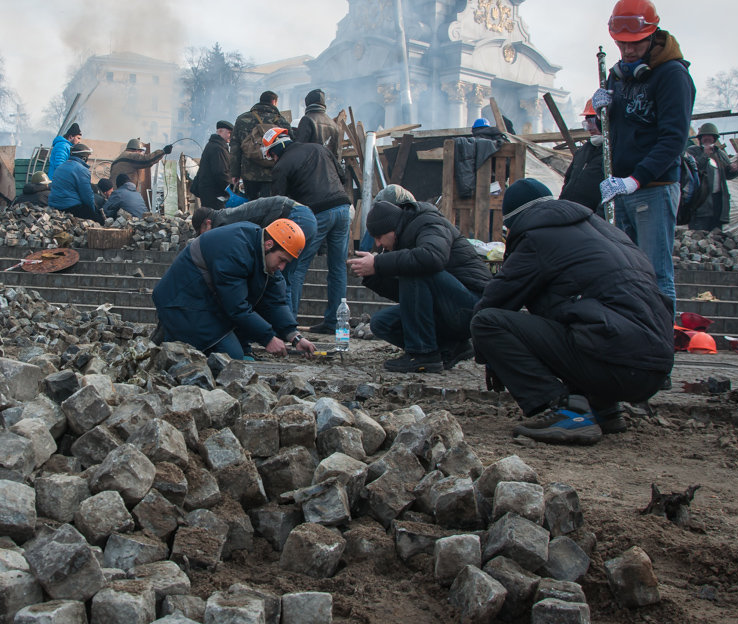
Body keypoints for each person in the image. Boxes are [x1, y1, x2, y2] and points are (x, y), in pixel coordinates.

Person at [471, 179, 674, 445]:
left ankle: (569, 413)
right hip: (654, 367)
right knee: (580, 316)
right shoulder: (604, 232)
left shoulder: (537, 236)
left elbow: (493, 301)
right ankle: (603, 408)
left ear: (514, 221)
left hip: (619, 360)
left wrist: (489, 355)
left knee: (486, 323)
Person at [592, 0, 695, 307]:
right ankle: (633, 340)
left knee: (656, 273)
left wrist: (635, 179)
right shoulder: (618, 75)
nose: (627, 50)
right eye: (621, 44)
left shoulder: (672, 76)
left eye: (634, 44)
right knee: (623, 271)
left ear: (652, 35)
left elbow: (673, 140)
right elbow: (615, 131)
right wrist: (601, 113)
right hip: (621, 187)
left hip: (654, 187)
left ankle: (660, 348)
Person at [350, 198, 491, 372]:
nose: (378, 244)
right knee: (381, 323)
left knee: (416, 267)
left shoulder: (429, 223)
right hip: (447, 308)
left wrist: (378, 262)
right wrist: (373, 276)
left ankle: (423, 353)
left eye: (379, 237)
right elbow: (411, 298)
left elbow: (432, 258)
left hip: (473, 306)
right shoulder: (404, 239)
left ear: (393, 228)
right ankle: (452, 347)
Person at [153, 219, 317, 360]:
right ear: (269, 245)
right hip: (181, 300)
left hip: (209, 301)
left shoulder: (265, 257)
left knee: (238, 354)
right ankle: (170, 334)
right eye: (281, 260)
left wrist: (295, 337)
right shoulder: (235, 250)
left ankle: (175, 333)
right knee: (232, 357)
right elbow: (236, 307)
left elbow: (275, 303)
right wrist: (267, 338)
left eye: (286, 263)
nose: (282, 267)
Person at [264, 127, 352, 330]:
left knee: (296, 267)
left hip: (317, 213)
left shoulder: (282, 166)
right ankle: (334, 323)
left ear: (275, 151)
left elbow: (278, 204)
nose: (273, 160)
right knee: (338, 267)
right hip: (343, 208)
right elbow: (342, 176)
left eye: (271, 156)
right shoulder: (319, 148)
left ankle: (288, 324)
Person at [191, 195, 317, 311]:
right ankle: (289, 326)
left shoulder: (223, 225)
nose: (202, 238)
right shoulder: (227, 216)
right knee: (290, 277)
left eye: (201, 232)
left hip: (294, 217)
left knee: (281, 277)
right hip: (306, 216)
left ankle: (286, 330)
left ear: (207, 223)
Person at [231, 91, 288, 201]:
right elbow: (289, 148)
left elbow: (235, 148)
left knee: (252, 206)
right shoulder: (281, 121)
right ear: (274, 102)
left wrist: (235, 173)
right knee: (270, 206)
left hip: (249, 173)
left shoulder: (242, 119)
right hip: (273, 173)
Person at [686, 122, 738, 231]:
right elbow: (692, 169)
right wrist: (705, 155)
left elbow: (728, 174)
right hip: (700, 200)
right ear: (700, 138)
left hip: (718, 202)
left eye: (710, 137)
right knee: (699, 232)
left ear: (714, 139)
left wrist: (734, 169)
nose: (707, 139)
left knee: (716, 233)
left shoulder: (719, 154)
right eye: (704, 137)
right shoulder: (693, 151)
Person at [292, 89, 347, 188]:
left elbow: (299, 148)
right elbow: (337, 153)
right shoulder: (333, 124)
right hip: (328, 173)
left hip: (310, 173)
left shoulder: (307, 119)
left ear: (307, 103)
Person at [558, 100, 605, 212]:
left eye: (593, 121)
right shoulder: (584, 150)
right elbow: (568, 180)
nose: (590, 128)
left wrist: (598, 217)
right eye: (587, 123)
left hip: (591, 218)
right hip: (570, 211)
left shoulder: (613, 152)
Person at [48, 142, 102, 222]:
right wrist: (93, 211)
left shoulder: (60, 167)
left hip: (55, 206)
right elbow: (87, 196)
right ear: (84, 158)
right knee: (99, 220)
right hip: (71, 208)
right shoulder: (82, 170)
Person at [108, 138, 173, 199]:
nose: (141, 154)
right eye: (141, 152)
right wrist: (163, 151)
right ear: (137, 150)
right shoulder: (131, 156)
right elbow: (147, 160)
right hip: (125, 195)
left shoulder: (117, 160)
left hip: (115, 195)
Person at [191, 120, 233, 208]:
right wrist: (231, 188)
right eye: (229, 133)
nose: (231, 136)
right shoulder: (218, 148)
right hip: (214, 194)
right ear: (220, 131)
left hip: (208, 192)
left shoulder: (213, 145)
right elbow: (221, 172)